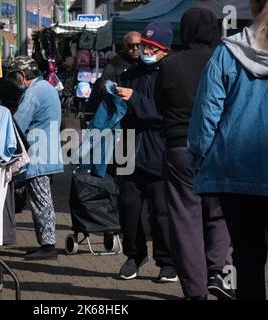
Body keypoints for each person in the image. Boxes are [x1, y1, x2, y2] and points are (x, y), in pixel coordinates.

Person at [188, 0, 268, 300]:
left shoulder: (227, 53)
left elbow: (205, 118)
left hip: (236, 174)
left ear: (253, 8)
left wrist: (198, 163)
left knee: (247, 257)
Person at [157, 8, 234, 300]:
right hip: (218, 146)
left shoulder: (170, 64)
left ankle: (195, 292)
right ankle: (218, 272)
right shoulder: (224, 60)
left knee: (185, 221)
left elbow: (158, 104)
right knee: (220, 214)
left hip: (178, 148)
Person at [115, 22, 178, 282]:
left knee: (161, 212)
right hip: (128, 148)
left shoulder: (171, 75)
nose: (146, 50)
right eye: (144, 45)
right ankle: (134, 255)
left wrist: (135, 100)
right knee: (128, 209)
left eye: (153, 47)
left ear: (165, 50)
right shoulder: (129, 74)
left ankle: (167, 262)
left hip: (158, 151)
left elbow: (165, 113)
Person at [10, 56, 64, 260]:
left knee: (41, 200)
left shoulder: (33, 93)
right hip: (45, 152)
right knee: (41, 199)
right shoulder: (46, 88)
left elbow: (17, 124)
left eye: (14, 76)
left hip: (37, 155)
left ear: (22, 75)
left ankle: (48, 246)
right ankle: (46, 243)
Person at [86, 32, 141, 114]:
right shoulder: (114, 65)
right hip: (119, 113)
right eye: (131, 45)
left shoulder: (144, 64)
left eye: (138, 45)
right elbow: (104, 90)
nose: (135, 48)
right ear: (125, 46)